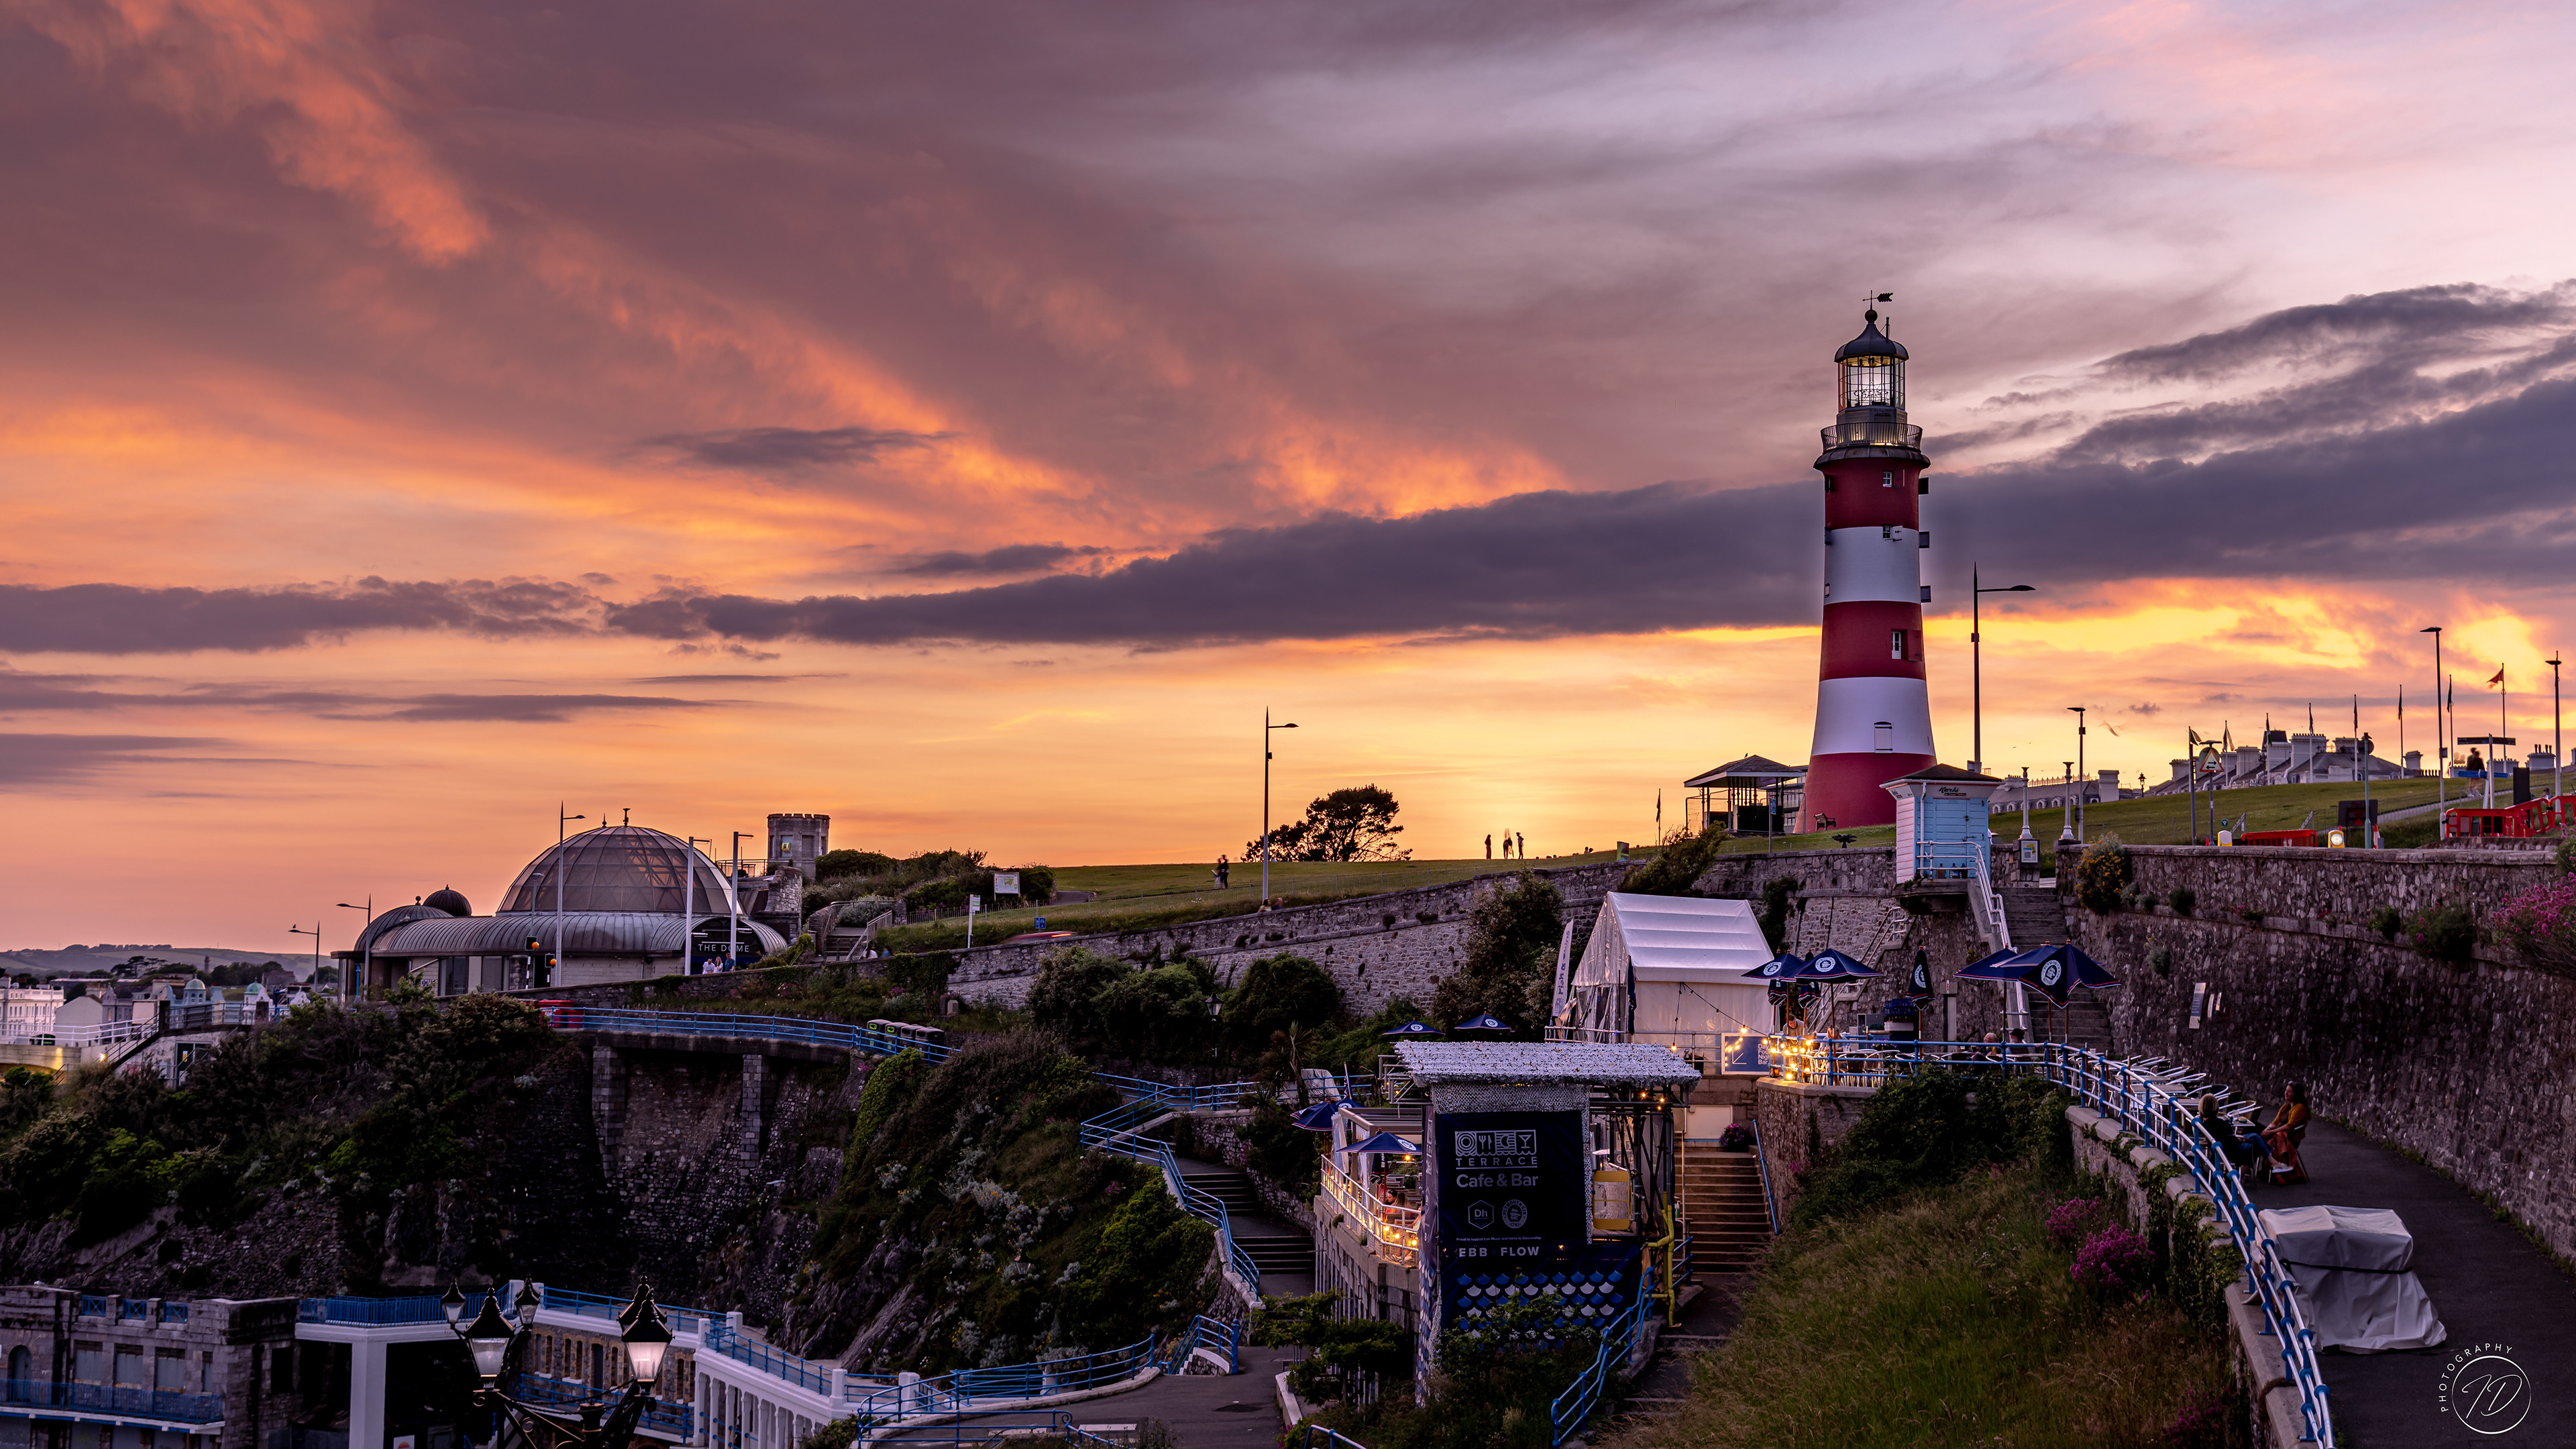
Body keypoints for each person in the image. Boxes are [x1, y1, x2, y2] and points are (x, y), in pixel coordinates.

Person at [2263, 1081, 2311, 1184]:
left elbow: (2290, 1126)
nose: (2286, 1093)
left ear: (2296, 1094)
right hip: (2278, 1135)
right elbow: (2275, 1122)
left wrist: (2270, 1133)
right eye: (2286, 1091)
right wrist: (2267, 1130)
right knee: (2258, 1133)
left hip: (2290, 1139)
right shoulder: (2285, 1107)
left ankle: (2249, 1167)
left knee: (2260, 1141)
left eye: (2289, 1092)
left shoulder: (2299, 1108)